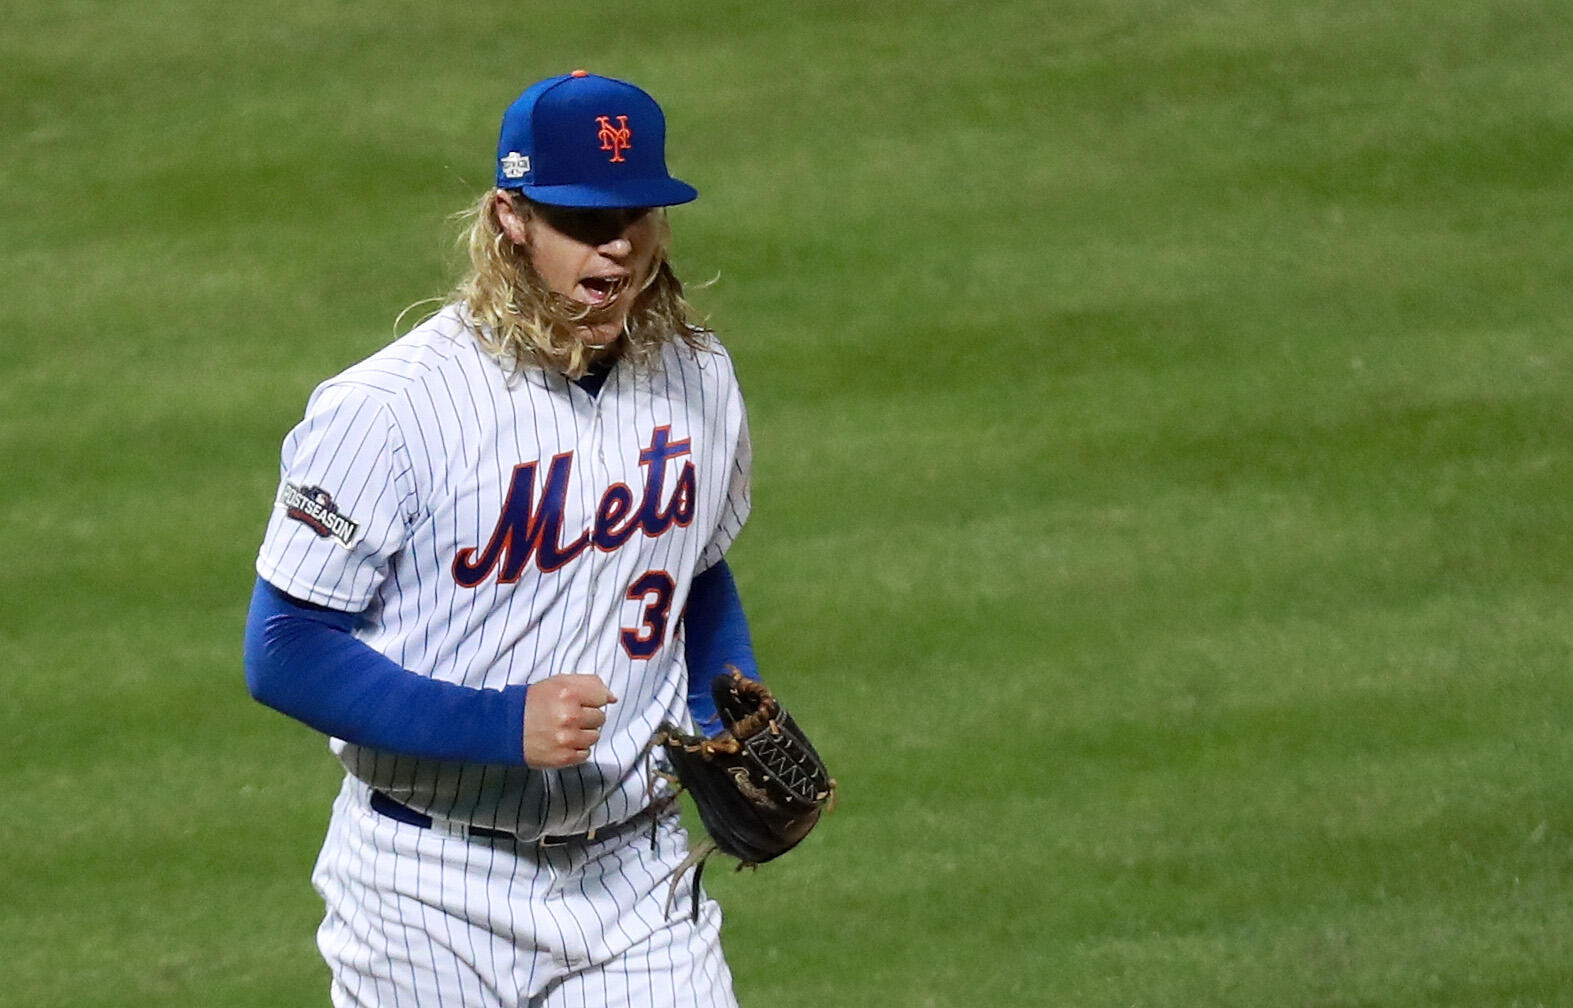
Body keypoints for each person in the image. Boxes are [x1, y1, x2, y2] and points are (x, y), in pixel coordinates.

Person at [243, 70, 762, 1007]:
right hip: (428, 893)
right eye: (579, 221)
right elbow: (283, 652)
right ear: (510, 219)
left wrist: (726, 712)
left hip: (637, 884)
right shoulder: (386, 410)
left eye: (634, 216)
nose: (613, 249)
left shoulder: (699, 377)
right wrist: (498, 725)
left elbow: (698, 570)